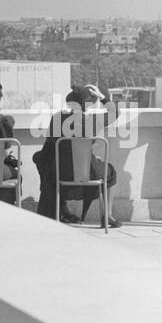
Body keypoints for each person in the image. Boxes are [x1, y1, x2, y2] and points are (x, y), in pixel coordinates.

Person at [34, 86, 120, 227]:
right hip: (89, 174)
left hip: (60, 175)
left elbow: (48, 146)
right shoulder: (94, 119)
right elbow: (115, 112)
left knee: (45, 162)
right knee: (110, 171)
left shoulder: (57, 118)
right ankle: (108, 215)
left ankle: (62, 208)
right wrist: (102, 96)